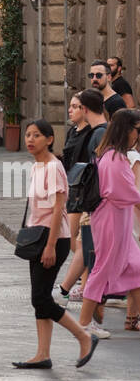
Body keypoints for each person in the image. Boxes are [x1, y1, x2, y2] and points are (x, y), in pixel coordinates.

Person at [12, 118, 98, 371]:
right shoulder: (37, 166)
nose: (30, 139)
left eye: (36, 135)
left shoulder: (52, 167)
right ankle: (42, 354)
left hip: (53, 239)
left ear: (49, 139)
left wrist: (50, 246)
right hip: (38, 237)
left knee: (41, 297)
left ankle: (83, 336)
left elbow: (58, 208)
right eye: (28, 135)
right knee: (38, 298)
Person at [78, 108, 140, 340]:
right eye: (137, 130)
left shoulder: (112, 155)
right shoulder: (115, 158)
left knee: (135, 265)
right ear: (126, 130)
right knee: (102, 268)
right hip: (111, 219)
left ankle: (131, 318)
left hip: (116, 219)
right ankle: (84, 322)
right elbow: (129, 193)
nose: (138, 135)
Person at [57, 91, 106, 304]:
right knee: (78, 240)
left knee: (78, 240)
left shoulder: (93, 133)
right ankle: (86, 284)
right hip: (74, 189)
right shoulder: (73, 131)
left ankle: (85, 283)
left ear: (85, 110)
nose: (71, 110)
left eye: (76, 106)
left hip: (84, 194)